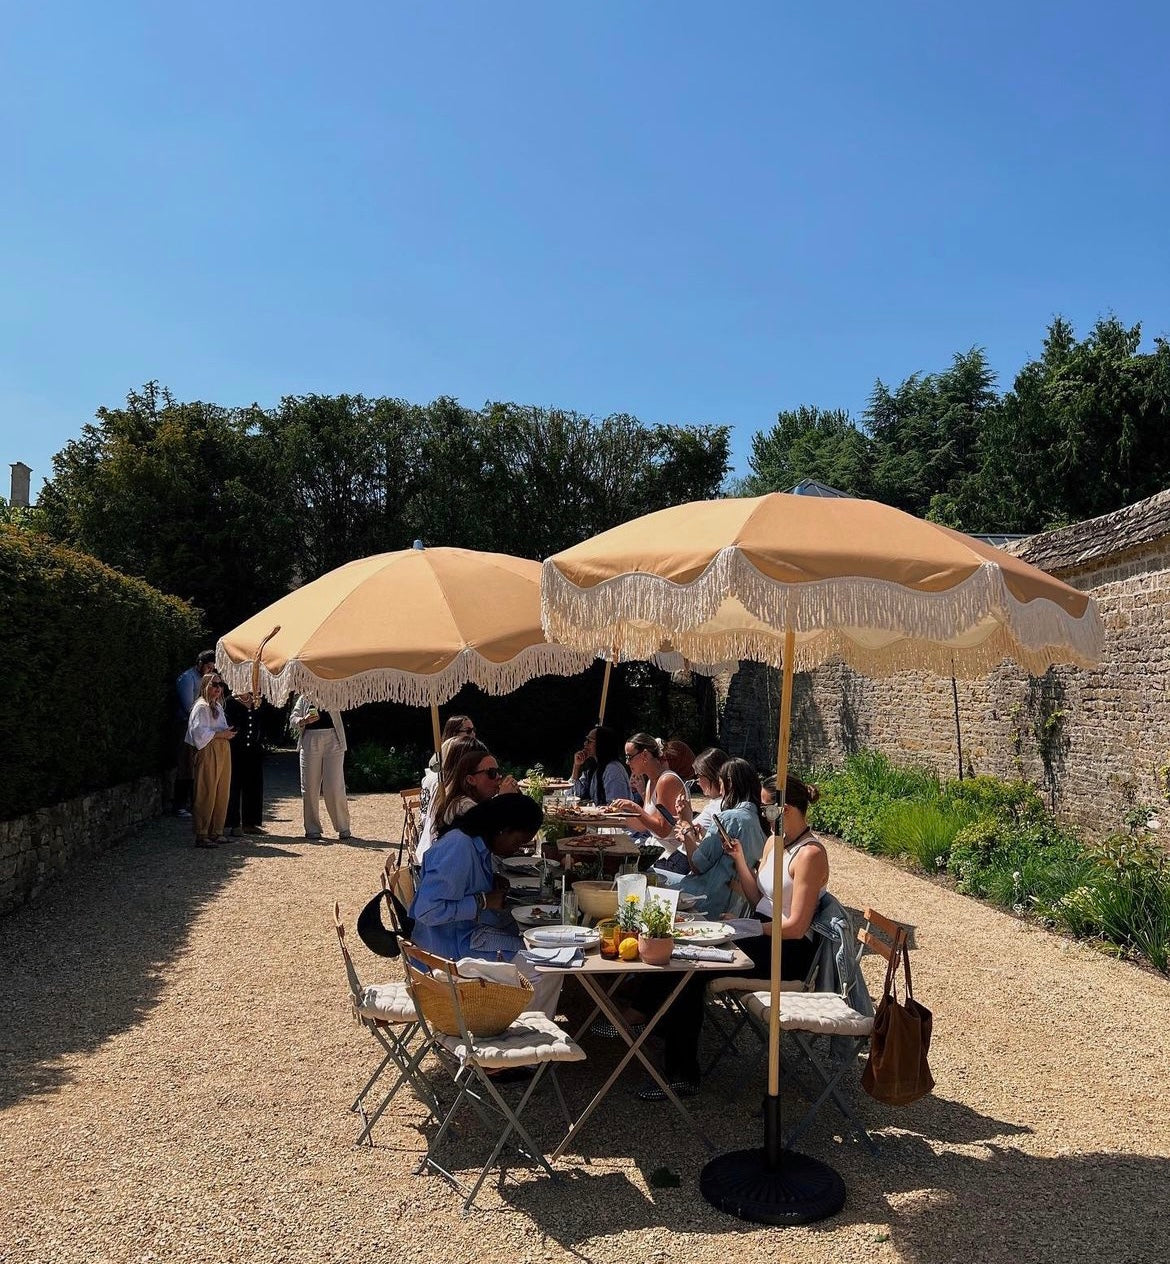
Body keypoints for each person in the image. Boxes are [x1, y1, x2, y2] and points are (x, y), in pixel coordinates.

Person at [409, 794, 560, 1016]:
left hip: (464, 938)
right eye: (517, 841)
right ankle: (521, 1034)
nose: (516, 849)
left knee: (540, 951)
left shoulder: (476, 843)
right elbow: (427, 910)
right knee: (548, 969)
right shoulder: (459, 847)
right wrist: (482, 900)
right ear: (502, 829)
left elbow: (460, 887)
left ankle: (518, 1026)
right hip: (446, 953)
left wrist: (490, 883)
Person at [723, 773, 830, 983]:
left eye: (765, 809)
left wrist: (745, 927)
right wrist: (739, 858)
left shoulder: (810, 855)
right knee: (698, 951)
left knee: (701, 965)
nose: (763, 815)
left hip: (787, 951)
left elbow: (797, 928)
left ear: (784, 809)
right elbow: (758, 901)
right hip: (764, 933)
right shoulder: (774, 840)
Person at [669, 757, 768, 917]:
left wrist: (687, 829)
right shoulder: (762, 822)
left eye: (721, 783)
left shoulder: (728, 818)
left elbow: (698, 865)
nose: (721, 791)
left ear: (729, 783)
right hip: (735, 905)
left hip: (705, 900)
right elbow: (725, 859)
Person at [656, 745, 729, 875]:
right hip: (683, 857)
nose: (697, 782)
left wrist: (686, 823)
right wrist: (684, 819)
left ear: (711, 776)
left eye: (699, 776)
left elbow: (701, 859)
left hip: (688, 863)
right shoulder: (716, 803)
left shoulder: (719, 809)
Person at [415, 734, 486, 863]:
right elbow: (492, 839)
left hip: (426, 857)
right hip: (436, 863)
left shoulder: (444, 789)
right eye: (489, 773)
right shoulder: (462, 805)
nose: (497, 776)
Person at [290, 694, 351, 840]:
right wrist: (303, 720)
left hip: (334, 739)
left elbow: (346, 702)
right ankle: (312, 828)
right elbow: (293, 718)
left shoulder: (334, 692)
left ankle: (343, 826)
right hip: (310, 738)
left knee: (335, 786)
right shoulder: (304, 697)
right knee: (310, 786)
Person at [610, 733, 692, 839]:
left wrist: (634, 807)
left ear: (645, 755)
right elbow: (642, 826)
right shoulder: (651, 781)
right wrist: (616, 814)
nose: (627, 762)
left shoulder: (666, 780)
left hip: (672, 852)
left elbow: (663, 830)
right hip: (656, 846)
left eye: (629, 757)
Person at [186, 675, 235, 847]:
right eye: (214, 684)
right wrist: (221, 734)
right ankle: (202, 832)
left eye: (220, 684)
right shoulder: (201, 707)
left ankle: (216, 830)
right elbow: (199, 734)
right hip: (208, 750)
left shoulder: (218, 706)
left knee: (222, 790)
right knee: (207, 790)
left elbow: (218, 727)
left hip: (222, 748)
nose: (218, 688)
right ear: (205, 685)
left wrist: (226, 733)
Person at [431, 744, 519, 833]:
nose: (498, 777)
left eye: (498, 772)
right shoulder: (463, 805)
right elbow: (489, 831)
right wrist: (503, 800)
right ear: (471, 780)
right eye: (491, 772)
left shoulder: (479, 801)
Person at [173, 650, 216, 816]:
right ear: (200, 663)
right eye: (208, 667)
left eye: (212, 668)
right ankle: (180, 805)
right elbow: (188, 706)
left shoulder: (206, 678)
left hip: (202, 725)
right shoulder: (187, 678)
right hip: (186, 726)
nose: (209, 670)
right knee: (185, 765)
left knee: (198, 765)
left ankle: (195, 803)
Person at [223, 688, 266, 836]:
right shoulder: (229, 703)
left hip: (254, 750)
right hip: (235, 749)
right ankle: (232, 822)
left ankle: (250, 822)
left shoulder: (257, 702)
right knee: (233, 785)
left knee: (254, 785)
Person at [569, 725, 631, 805]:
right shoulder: (594, 767)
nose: (585, 744)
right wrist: (576, 766)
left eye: (589, 741)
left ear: (602, 744)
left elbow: (616, 806)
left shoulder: (613, 770)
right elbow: (575, 794)